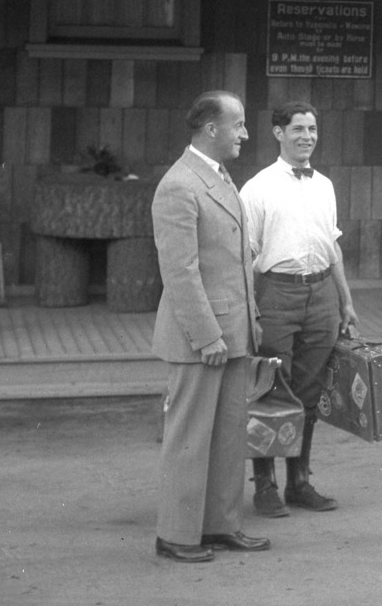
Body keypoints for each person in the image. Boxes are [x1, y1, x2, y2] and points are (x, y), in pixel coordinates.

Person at [152, 90, 270, 563]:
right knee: (189, 437)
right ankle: (177, 535)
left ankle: (220, 525)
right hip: (202, 338)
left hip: (232, 332)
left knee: (226, 436)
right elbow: (180, 272)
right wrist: (208, 337)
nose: (244, 133)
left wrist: (247, 325)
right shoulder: (179, 185)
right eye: (238, 124)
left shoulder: (218, 177)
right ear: (210, 129)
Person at [239, 100, 358, 516]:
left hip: (322, 293)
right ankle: (265, 486)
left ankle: (300, 482)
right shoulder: (256, 188)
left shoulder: (324, 184)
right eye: (298, 129)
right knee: (271, 389)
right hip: (277, 294)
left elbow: (333, 247)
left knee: (309, 392)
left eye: (312, 129)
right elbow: (245, 254)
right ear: (278, 133)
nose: (307, 137)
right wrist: (251, 311)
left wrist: (346, 300)